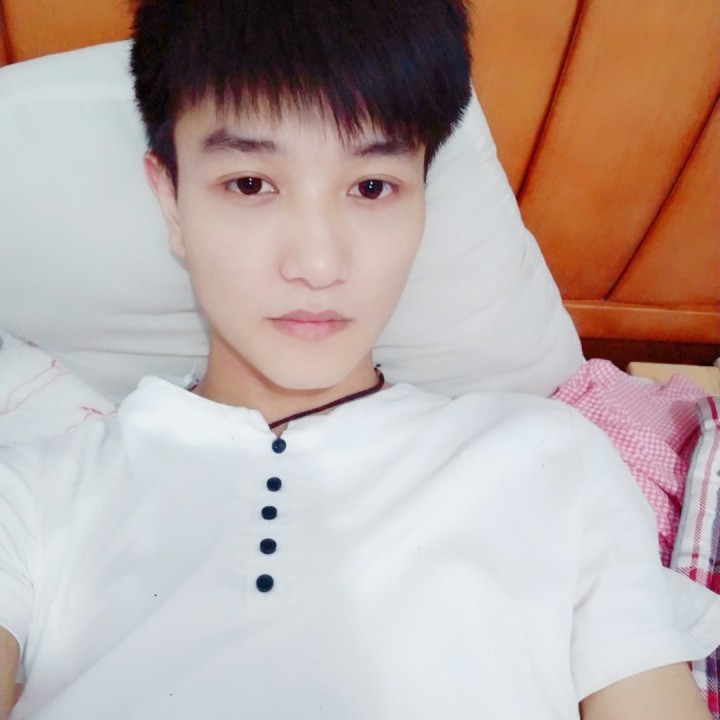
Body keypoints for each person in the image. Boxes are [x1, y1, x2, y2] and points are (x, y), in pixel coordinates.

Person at [0, 1, 718, 718]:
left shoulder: (552, 457)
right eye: (250, 184)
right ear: (171, 202)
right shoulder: (37, 491)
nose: (318, 265)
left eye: (372, 187)